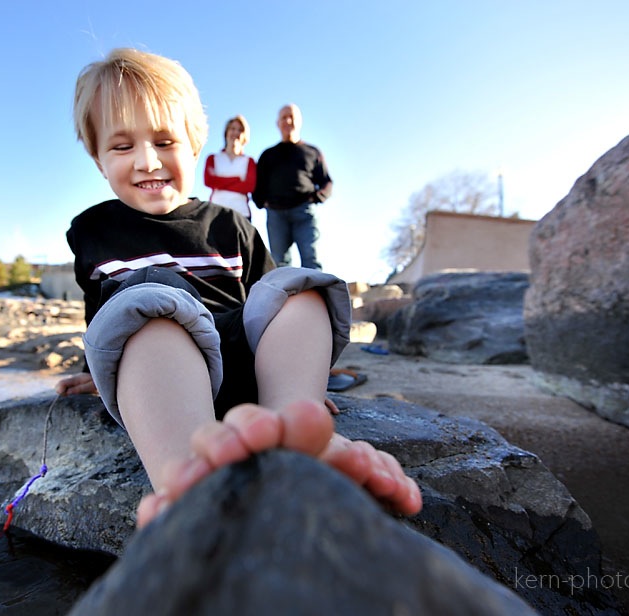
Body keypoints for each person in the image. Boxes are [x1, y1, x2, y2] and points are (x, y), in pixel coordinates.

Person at [54, 48, 421, 528]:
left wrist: (302, 376)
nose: (147, 161)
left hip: (242, 362)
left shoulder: (230, 224)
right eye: (123, 147)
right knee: (146, 300)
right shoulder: (91, 230)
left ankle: (296, 422)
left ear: (195, 144)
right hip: (164, 372)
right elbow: (98, 313)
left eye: (165, 142)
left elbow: (269, 304)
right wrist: (95, 372)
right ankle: (191, 476)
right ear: (97, 157)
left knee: (298, 284)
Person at [252, 104, 332, 269]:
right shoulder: (267, 155)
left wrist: (317, 197)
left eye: (292, 117)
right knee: (279, 262)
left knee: (310, 258)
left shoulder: (312, 152)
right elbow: (257, 185)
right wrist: (262, 202)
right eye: (283, 117)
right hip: (276, 215)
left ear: (299, 121)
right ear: (278, 123)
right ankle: (287, 295)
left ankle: (315, 294)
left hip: (304, 211)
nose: (288, 121)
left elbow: (326, 182)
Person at [203, 115, 256, 219]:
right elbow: (209, 181)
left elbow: (249, 186)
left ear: (245, 135)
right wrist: (237, 179)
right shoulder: (213, 158)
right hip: (215, 212)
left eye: (240, 130)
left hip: (242, 214)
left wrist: (220, 182)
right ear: (226, 132)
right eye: (232, 129)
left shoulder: (249, 161)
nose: (236, 133)